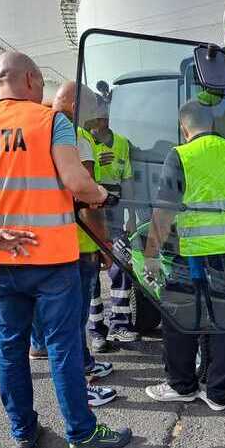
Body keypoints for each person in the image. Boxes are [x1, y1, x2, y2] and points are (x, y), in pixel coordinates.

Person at [0, 51, 131, 448]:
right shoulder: (50, 122)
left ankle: (23, 433)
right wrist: (101, 195)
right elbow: (76, 181)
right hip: (52, 262)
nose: (42, 91)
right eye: (41, 84)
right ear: (28, 79)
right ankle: (82, 435)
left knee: (10, 348)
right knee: (63, 349)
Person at [143, 99, 225, 411]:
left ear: (183, 127)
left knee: (179, 318)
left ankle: (182, 385)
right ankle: (219, 393)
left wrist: (151, 253)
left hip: (195, 254)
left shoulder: (180, 155)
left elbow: (164, 210)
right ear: (213, 124)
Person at [26, 81, 117, 408]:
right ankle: (82, 382)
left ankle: (63, 356)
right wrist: (104, 244)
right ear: (80, 107)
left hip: (42, 240)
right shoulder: (76, 138)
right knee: (73, 318)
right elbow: (87, 195)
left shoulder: (35, 131)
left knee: (50, 312)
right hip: (77, 241)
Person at [84, 110, 138, 351]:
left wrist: (133, 218)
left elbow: (128, 182)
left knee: (121, 263)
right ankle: (96, 331)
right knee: (90, 270)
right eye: (98, 115)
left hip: (115, 210)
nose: (103, 119)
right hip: (90, 210)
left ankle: (120, 324)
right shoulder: (82, 141)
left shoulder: (123, 143)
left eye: (106, 114)